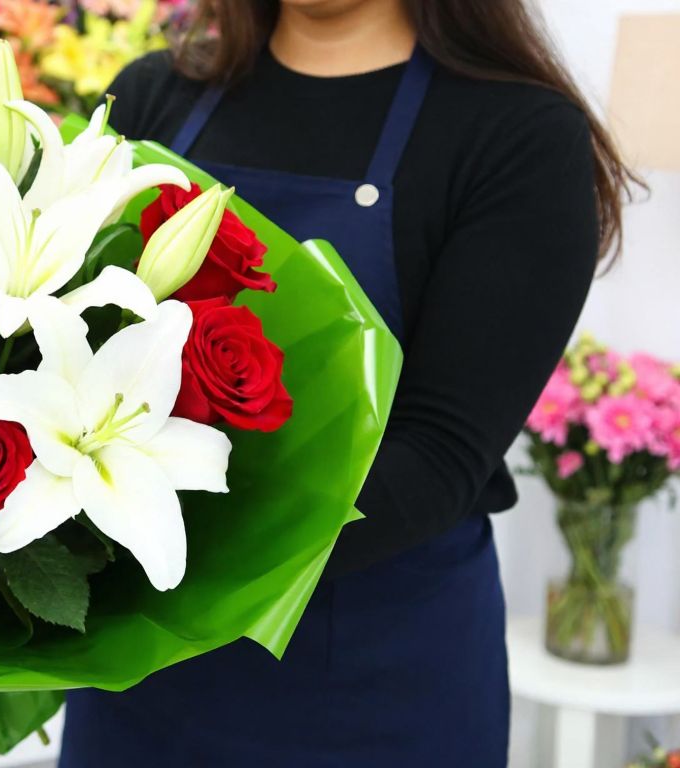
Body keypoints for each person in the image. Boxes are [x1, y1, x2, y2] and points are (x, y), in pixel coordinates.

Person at [59, 0, 643, 765]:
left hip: (376, 686)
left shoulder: (518, 134)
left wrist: (165, 543)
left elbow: (439, 454)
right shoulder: (154, 95)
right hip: (140, 679)